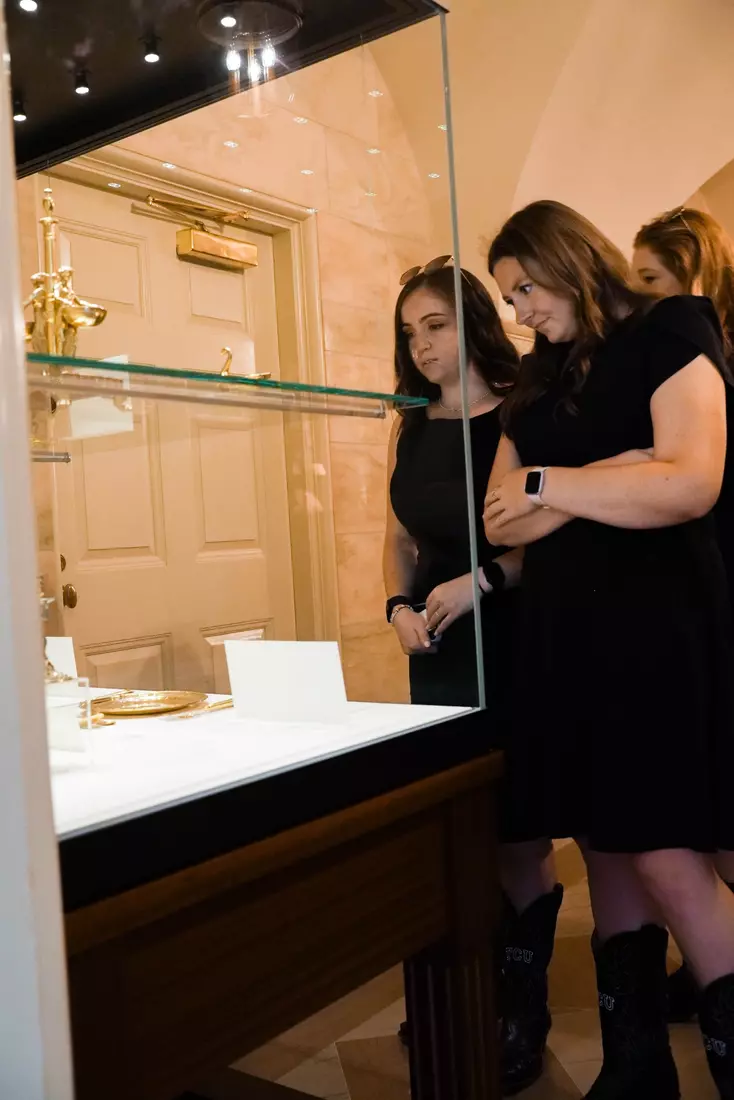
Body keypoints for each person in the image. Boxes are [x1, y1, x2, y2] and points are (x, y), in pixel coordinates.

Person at [484, 199, 734, 1099]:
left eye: (525, 289)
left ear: (569, 259)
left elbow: (692, 483)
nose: (520, 311)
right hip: (566, 635)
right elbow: (499, 516)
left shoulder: (672, 327)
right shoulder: (538, 375)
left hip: (658, 628)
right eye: (508, 299)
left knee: (665, 850)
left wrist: (551, 484)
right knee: (606, 847)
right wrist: (616, 472)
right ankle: (637, 1069)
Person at [384, 259, 563, 1094]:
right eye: (410, 332)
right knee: (459, 827)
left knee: (519, 829)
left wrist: (481, 582)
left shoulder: (523, 410)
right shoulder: (409, 421)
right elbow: (398, 537)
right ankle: (472, 988)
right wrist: (396, 606)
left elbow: (554, 540)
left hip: (513, 632)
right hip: (438, 648)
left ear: (475, 324)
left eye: (436, 325)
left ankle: (525, 1006)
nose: (422, 346)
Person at [633, 206, 734, 1024]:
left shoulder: (703, 360)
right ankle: (709, 961)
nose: (638, 299)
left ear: (693, 277)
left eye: (651, 280)